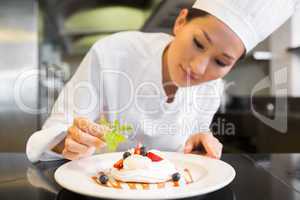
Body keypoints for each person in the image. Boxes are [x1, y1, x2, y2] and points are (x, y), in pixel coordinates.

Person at [26, 0, 300, 162]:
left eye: (221, 62)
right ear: (181, 22)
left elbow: (186, 151)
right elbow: (55, 133)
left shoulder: (210, 89)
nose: (198, 67)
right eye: (198, 43)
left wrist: (198, 144)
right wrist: (68, 141)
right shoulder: (113, 53)